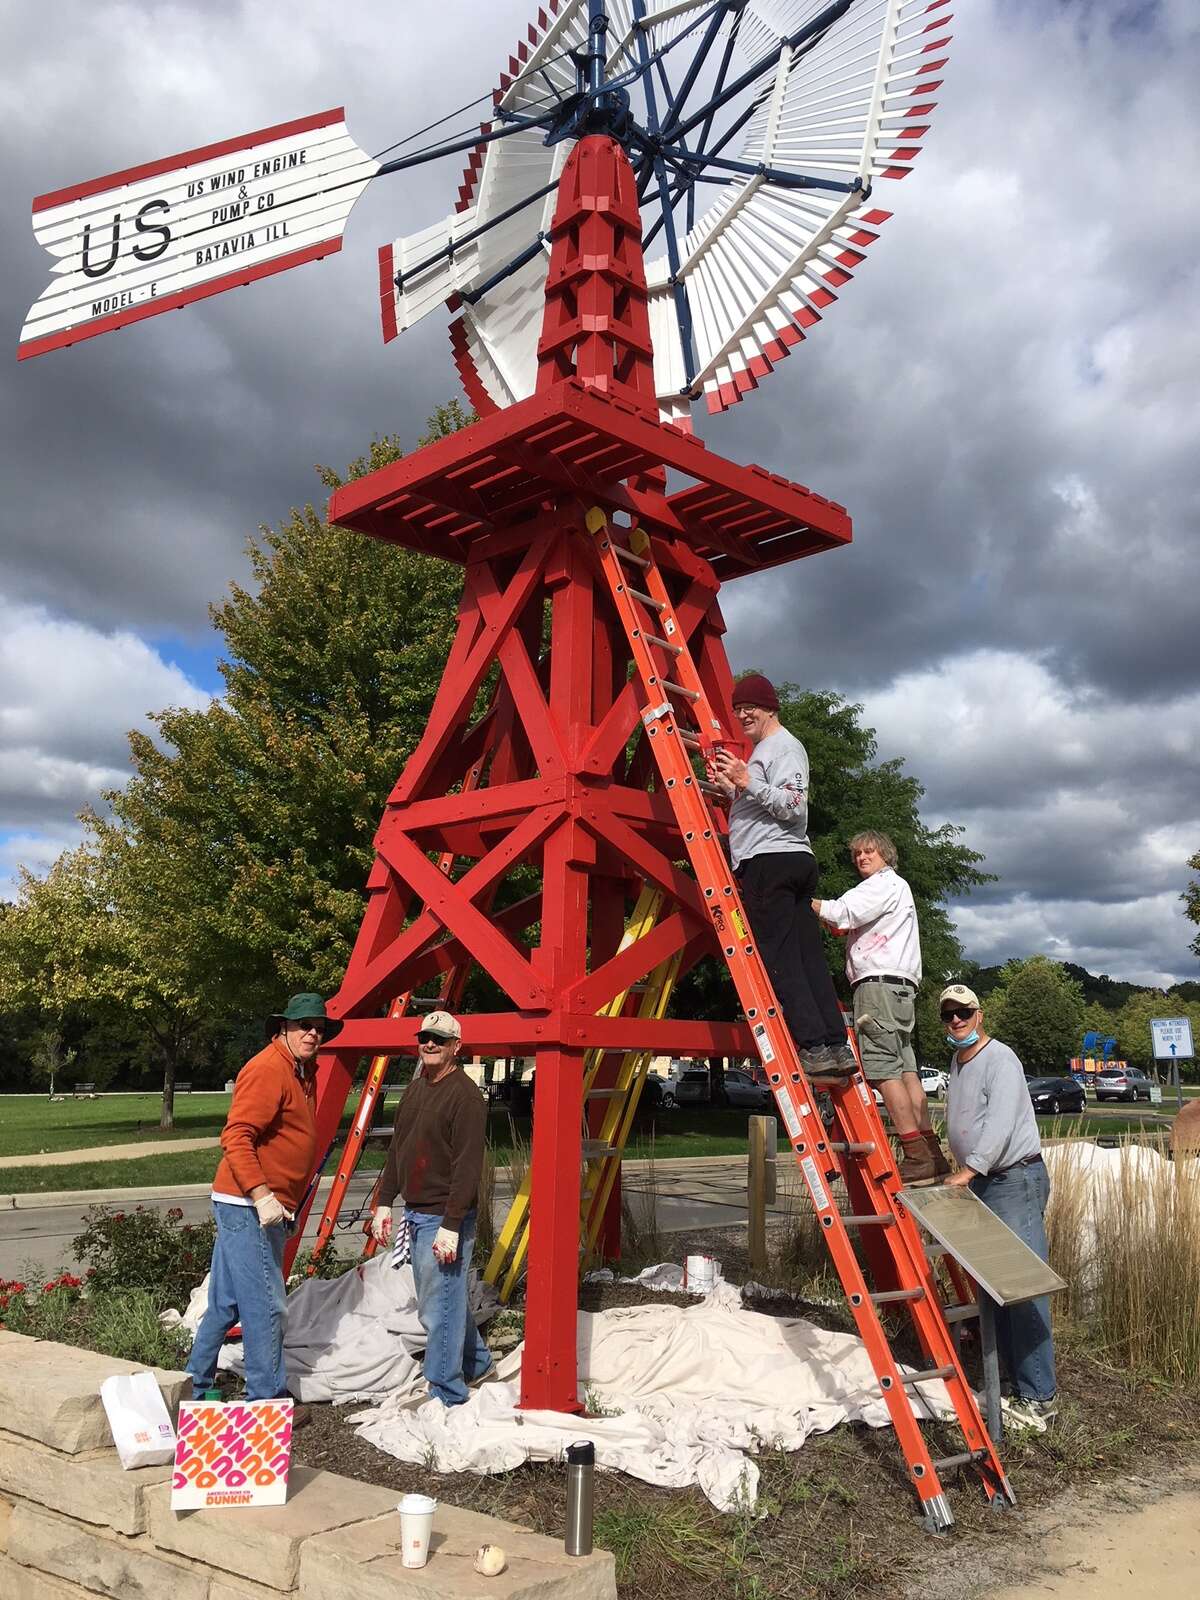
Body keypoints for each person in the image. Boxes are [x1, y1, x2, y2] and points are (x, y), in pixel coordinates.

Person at [186, 993, 340, 1402]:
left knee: (225, 1303)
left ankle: (194, 1385)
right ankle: (266, 1399)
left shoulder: (301, 1070)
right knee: (267, 1305)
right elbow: (237, 1136)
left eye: (319, 1028)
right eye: (304, 1025)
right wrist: (262, 1195)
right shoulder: (268, 1069)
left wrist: (280, 1199)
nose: (313, 1033)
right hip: (249, 1206)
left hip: (259, 1204)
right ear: (283, 1028)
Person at [711, 674, 856, 1077]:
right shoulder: (766, 750)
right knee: (807, 958)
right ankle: (836, 1046)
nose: (743, 715)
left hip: (769, 861)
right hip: (787, 859)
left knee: (781, 960)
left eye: (750, 708)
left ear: (770, 708)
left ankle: (813, 1047)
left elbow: (793, 806)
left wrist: (746, 780)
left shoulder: (784, 746)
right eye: (738, 710)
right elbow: (766, 801)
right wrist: (734, 788)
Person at [939, 982, 1057, 1423]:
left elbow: (1001, 1123)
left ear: (979, 1014)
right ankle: (1010, 1380)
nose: (956, 1020)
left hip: (1012, 1178)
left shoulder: (1000, 1059)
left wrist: (971, 1168)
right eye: (948, 1014)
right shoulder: (957, 1061)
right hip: (984, 1182)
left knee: (1021, 1284)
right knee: (993, 1286)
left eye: (963, 1012)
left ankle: (1040, 1396)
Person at [370, 1010, 494, 1405]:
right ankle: (478, 1363)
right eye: (425, 1037)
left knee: (437, 1308)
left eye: (439, 1039)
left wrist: (452, 1223)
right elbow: (399, 1149)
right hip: (416, 1212)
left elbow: (468, 1167)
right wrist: (384, 1202)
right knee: (445, 1299)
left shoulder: (466, 1098)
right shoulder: (415, 1089)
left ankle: (445, 1389)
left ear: (456, 1046)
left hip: (444, 1216)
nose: (430, 1044)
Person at [813, 830, 949, 1185]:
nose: (861, 857)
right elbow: (849, 921)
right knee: (907, 1071)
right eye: (857, 854)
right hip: (900, 988)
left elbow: (842, 912)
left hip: (877, 987)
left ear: (885, 855)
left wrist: (803, 902)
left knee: (882, 1071)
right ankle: (933, 1153)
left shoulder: (880, 884)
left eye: (869, 851)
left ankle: (915, 1154)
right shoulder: (897, 888)